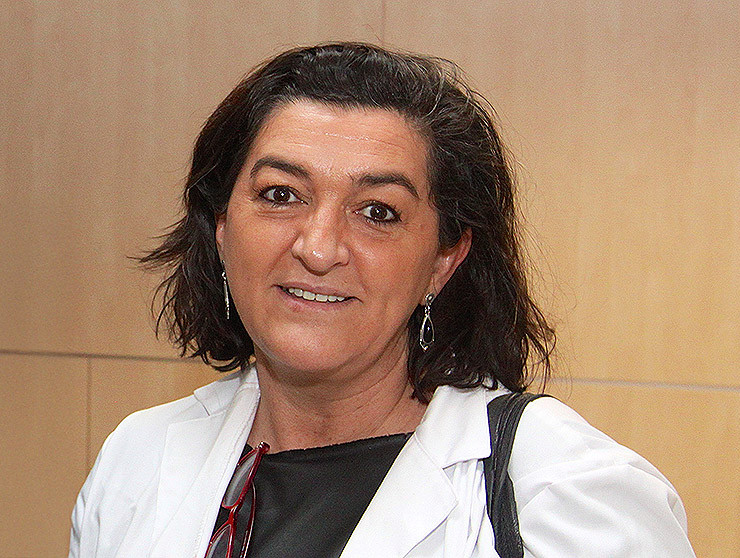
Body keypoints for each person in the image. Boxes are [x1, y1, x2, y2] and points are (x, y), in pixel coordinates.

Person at [69, 43, 695, 557]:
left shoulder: (566, 492)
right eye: (281, 195)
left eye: (377, 212)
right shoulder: (138, 460)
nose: (319, 248)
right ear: (221, 227)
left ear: (445, 259)